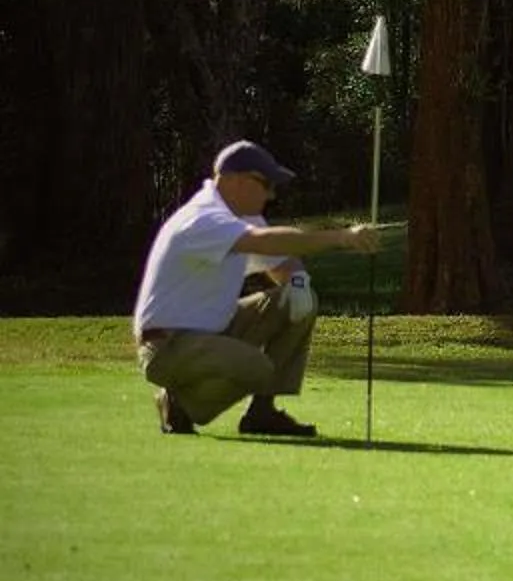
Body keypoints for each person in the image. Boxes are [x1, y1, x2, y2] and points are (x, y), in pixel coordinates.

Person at [134, 140, 376, 438]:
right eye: (265, 184)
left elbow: (282, 261)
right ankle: (178, 402)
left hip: (210, 335)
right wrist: (341, 237)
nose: (271, 194)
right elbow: (266, 242)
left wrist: (298, 282)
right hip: (167, 347)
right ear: (234, 180)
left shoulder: (242, 220)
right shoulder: (204, 218)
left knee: (296, 300)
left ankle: (262, 413)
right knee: (258, 368)